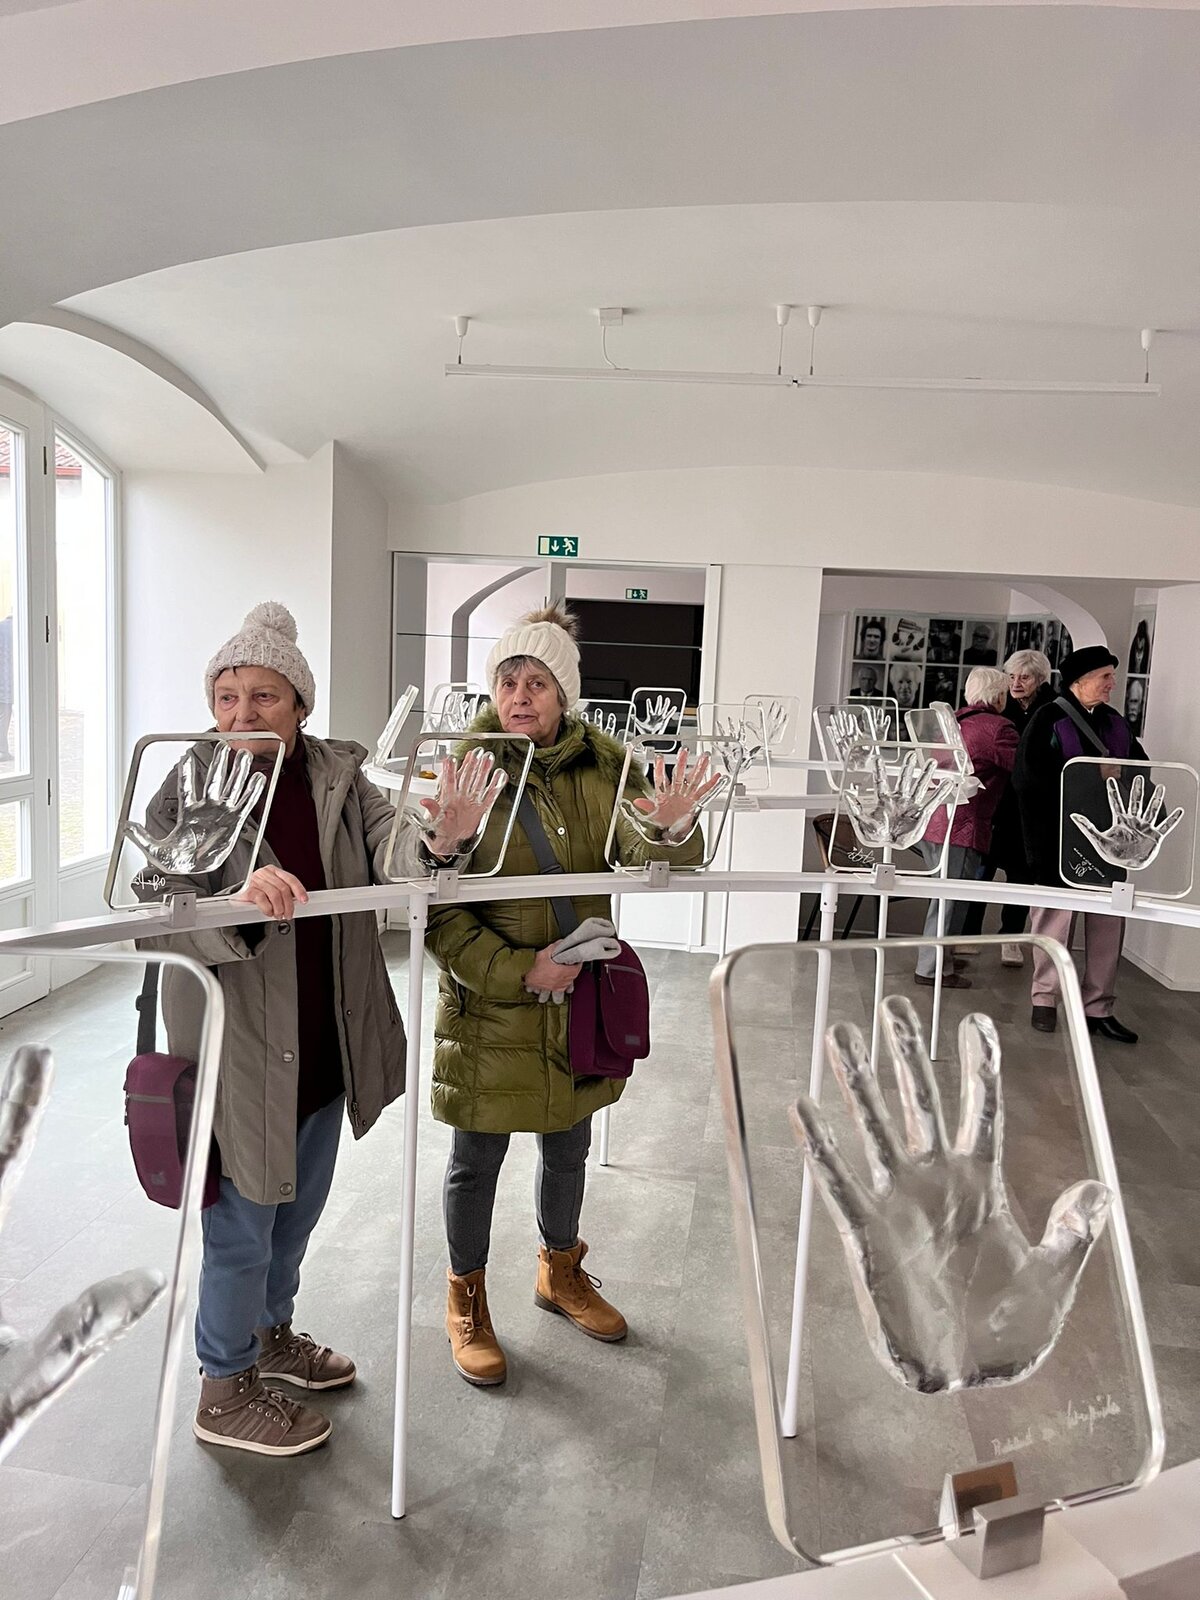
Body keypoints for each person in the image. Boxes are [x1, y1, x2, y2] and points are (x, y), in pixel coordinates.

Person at [137, 602, 406, 1456]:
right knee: (242, 1229)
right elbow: (157, 913)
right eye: (227, 696)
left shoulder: (339, 775)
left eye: (263, 696)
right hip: (242, 1050)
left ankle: (269, 1337)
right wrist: (235, 900)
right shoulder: (191, 781)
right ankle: (223, 1388)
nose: (241, 714)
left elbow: (394, 844)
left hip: (325, 1038)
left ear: (299, 705)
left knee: (295, 1216)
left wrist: (441, 836)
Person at [424, 604, 717, 1388]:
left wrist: (670, 831)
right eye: (507, 681)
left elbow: (646, 846)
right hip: (490, 1009)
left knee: (568, 1146)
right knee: (475, 1161)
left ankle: (560, 1270)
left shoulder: (606, 766)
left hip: (576, 1004)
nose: (519, 696)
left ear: (565, 695)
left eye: (537, 683)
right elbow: (436, 913)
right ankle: (466, 1299)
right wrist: (519, 967)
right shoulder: (466, 770)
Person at [1011, 646, 1145, 1043]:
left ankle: (1098, 1007)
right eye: (1105, 676)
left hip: (1112, 844)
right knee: (1054, 922)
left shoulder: (1116, 723)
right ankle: (1045, 999)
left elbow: (1141, 769)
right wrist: (1093, 777)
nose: (1112, 683)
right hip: (1057, 842)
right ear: (1079, 681)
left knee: (1108, 925)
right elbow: (1028, 780)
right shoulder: (1048, 719)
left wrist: (1127, 784)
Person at [914, 668, 1018, 989]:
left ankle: (941, 958)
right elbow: (1023, 768)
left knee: (945, 896)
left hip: (934, 820)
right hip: (963, 825)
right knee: (950, 900)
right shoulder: (998, 728)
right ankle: (931, 969)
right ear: (998, 696)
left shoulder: (951, 721)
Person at [961, 650, 1055, 963]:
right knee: (981, 871)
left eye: (1024, 677)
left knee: (1021, 875)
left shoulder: (1051, 710)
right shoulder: (1001, 706)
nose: (1016, 683)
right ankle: (968, 934)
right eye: (1012, 677)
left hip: (1029, 807)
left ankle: (1011, 938)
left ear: (1039, 680)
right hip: (997, 802)